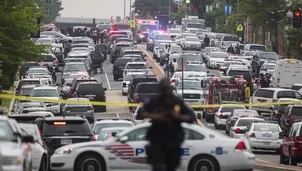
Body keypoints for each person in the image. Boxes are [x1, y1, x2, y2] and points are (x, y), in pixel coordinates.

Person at [142, 78, 196, 171]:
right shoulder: (155, 102)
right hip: (157, 139)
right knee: (157, 166)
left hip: (173, 141)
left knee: (172, 166)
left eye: (167, 89)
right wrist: (156, 116)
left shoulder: (176, 102)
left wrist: (177, 116)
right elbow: (141, 113)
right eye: (164, 89)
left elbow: (191, 117)